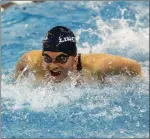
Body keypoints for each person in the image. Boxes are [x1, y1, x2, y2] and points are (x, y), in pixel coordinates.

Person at [15, 26, 142, 83]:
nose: (53, 65)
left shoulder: (98, 66)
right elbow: (18, 74)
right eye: (47, 58)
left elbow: (135, 66)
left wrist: (134, 84)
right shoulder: (31, 60)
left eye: (61, 58)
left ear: (74, 57)